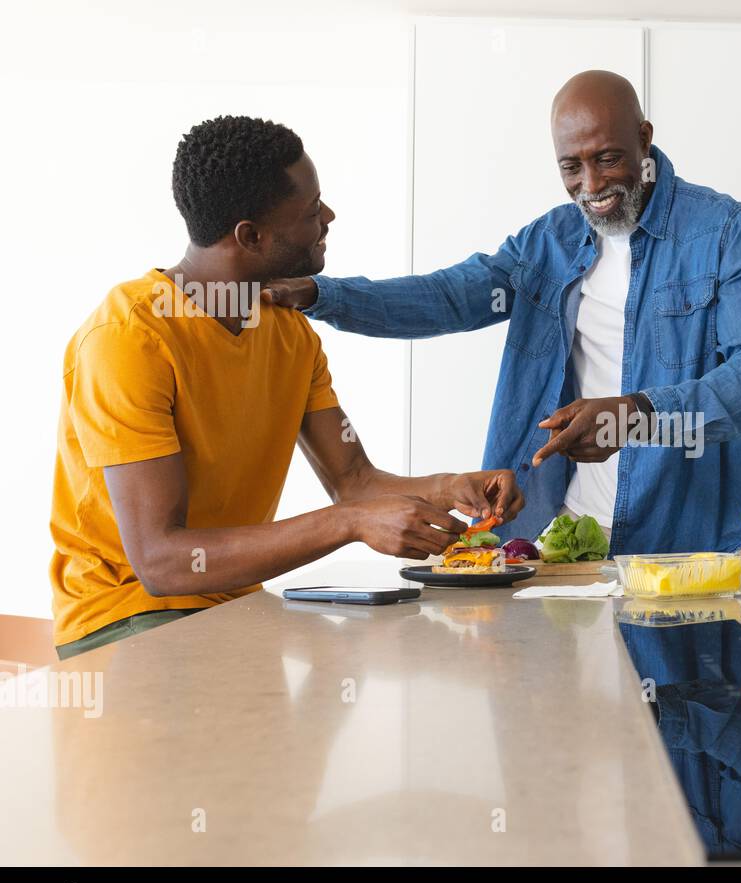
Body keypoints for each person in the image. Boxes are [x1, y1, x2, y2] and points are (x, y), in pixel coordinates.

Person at [264, 71, 741, 555]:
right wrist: (320, 295)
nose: (591, 187)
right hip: (561, 537)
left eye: (608, 158)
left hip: (690, 541)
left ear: (644, 139)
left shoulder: (727, 232)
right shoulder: (548, 242)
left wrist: (635, 414)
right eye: (572, 166)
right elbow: (447, 297)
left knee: (690, 669)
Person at [49, 115, 522, 659]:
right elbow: (161, 563)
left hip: (233, 606)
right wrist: (348, 524)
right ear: (250, 235)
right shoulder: (129, 339)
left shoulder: (288, 331)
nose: (328, 217)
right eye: (309, 209)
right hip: (125, 618)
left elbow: (356, 482)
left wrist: (450, 487)